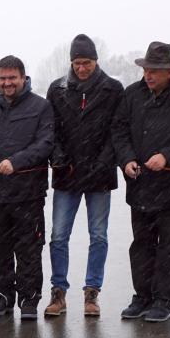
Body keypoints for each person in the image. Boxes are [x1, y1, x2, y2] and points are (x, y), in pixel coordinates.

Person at [112, 42, 170, 322]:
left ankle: (163, 300)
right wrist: (126, 158)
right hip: (140, 184)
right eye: (146, 69)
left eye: (156, 70)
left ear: (169, 72)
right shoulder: (131, 95)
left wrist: (166, 155)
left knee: (169, 246)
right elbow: (119, 130)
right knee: (141, 244)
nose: (149, 75)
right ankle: (142, 297)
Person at [43, 34, 123, 317]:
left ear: (96, 61)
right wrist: (60, 157)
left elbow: (117, 130)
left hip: (100, 174)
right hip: (67, 174)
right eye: (77, 63)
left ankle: (92, 292)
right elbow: (49, 129)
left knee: (98, 235)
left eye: (86, 62)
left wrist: (102, 161)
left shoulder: (113, 90)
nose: (82, 68)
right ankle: (58, 292)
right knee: (59, 235)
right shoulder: (57, 89)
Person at [0, 55, 55, 320]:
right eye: (2, 78)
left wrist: (16, 162)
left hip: (28, 193)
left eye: (12, 78)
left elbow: (45, 143)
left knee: (29, 249)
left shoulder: (41, 107)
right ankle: (2, 297)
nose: (7, 83)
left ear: (23, 77)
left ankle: (29, 301)